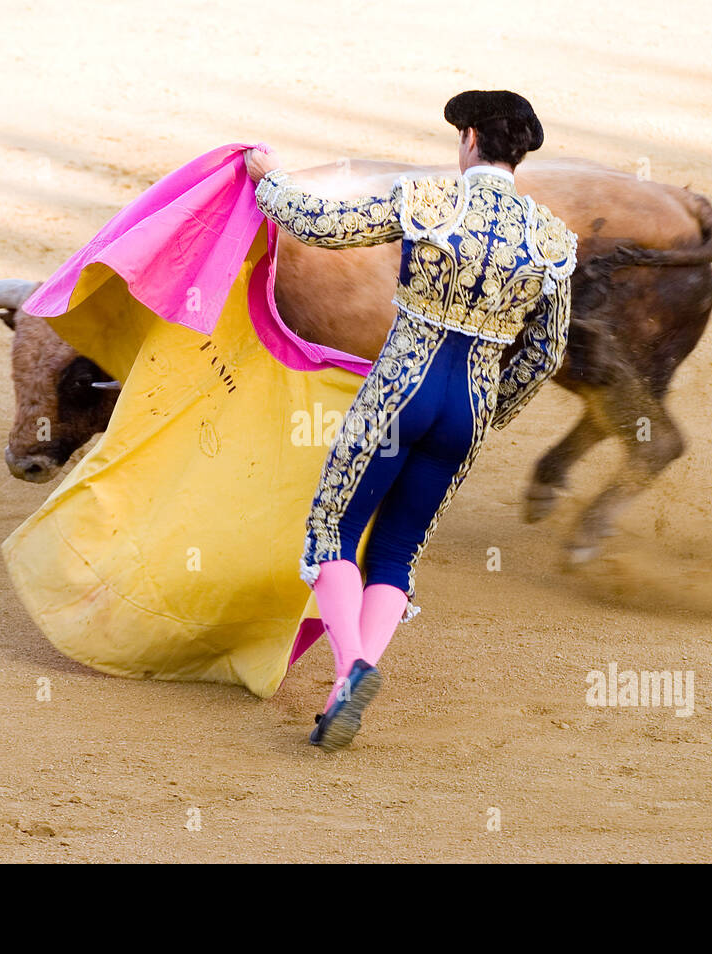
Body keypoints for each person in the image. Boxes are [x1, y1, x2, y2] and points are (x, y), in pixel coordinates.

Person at [244, 90, 577, 751]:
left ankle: (350, 668)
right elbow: (545, 353)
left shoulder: (429, 200)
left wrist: (268, 180)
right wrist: (490, 410)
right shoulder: (550, 239)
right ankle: (353, 681)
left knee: (334, 529)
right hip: (467, 411)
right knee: (396, 551)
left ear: (471, 139)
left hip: (402, 390)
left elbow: (321, 225)